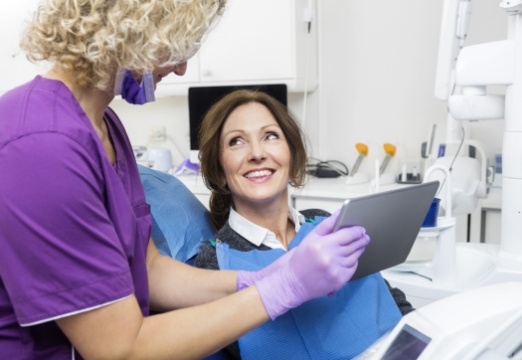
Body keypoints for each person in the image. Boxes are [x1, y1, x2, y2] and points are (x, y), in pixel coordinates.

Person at [0, 1, 372, 358]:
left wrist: (263, 275)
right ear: (135, 30)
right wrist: (281, 289)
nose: (181, 67)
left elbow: (151, 271)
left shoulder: (106, 126)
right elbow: (119, 348)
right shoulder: (39, 145)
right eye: (177, 45)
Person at [195, 89, 414, 359]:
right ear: (219, 170)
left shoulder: (327, 221)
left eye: (270, 136)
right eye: (237, 141)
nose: (257, 153)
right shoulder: (213, 263)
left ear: (293, 155)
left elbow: (389, 297)